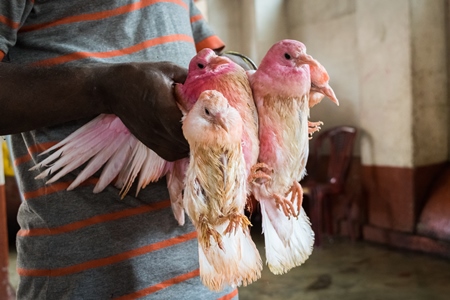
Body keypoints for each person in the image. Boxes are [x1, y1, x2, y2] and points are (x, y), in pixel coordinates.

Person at [0, 1, 240, 299]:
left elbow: (211, 63)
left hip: (212, 277)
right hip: (91, 284)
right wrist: (104, 87)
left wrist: (257, 84)